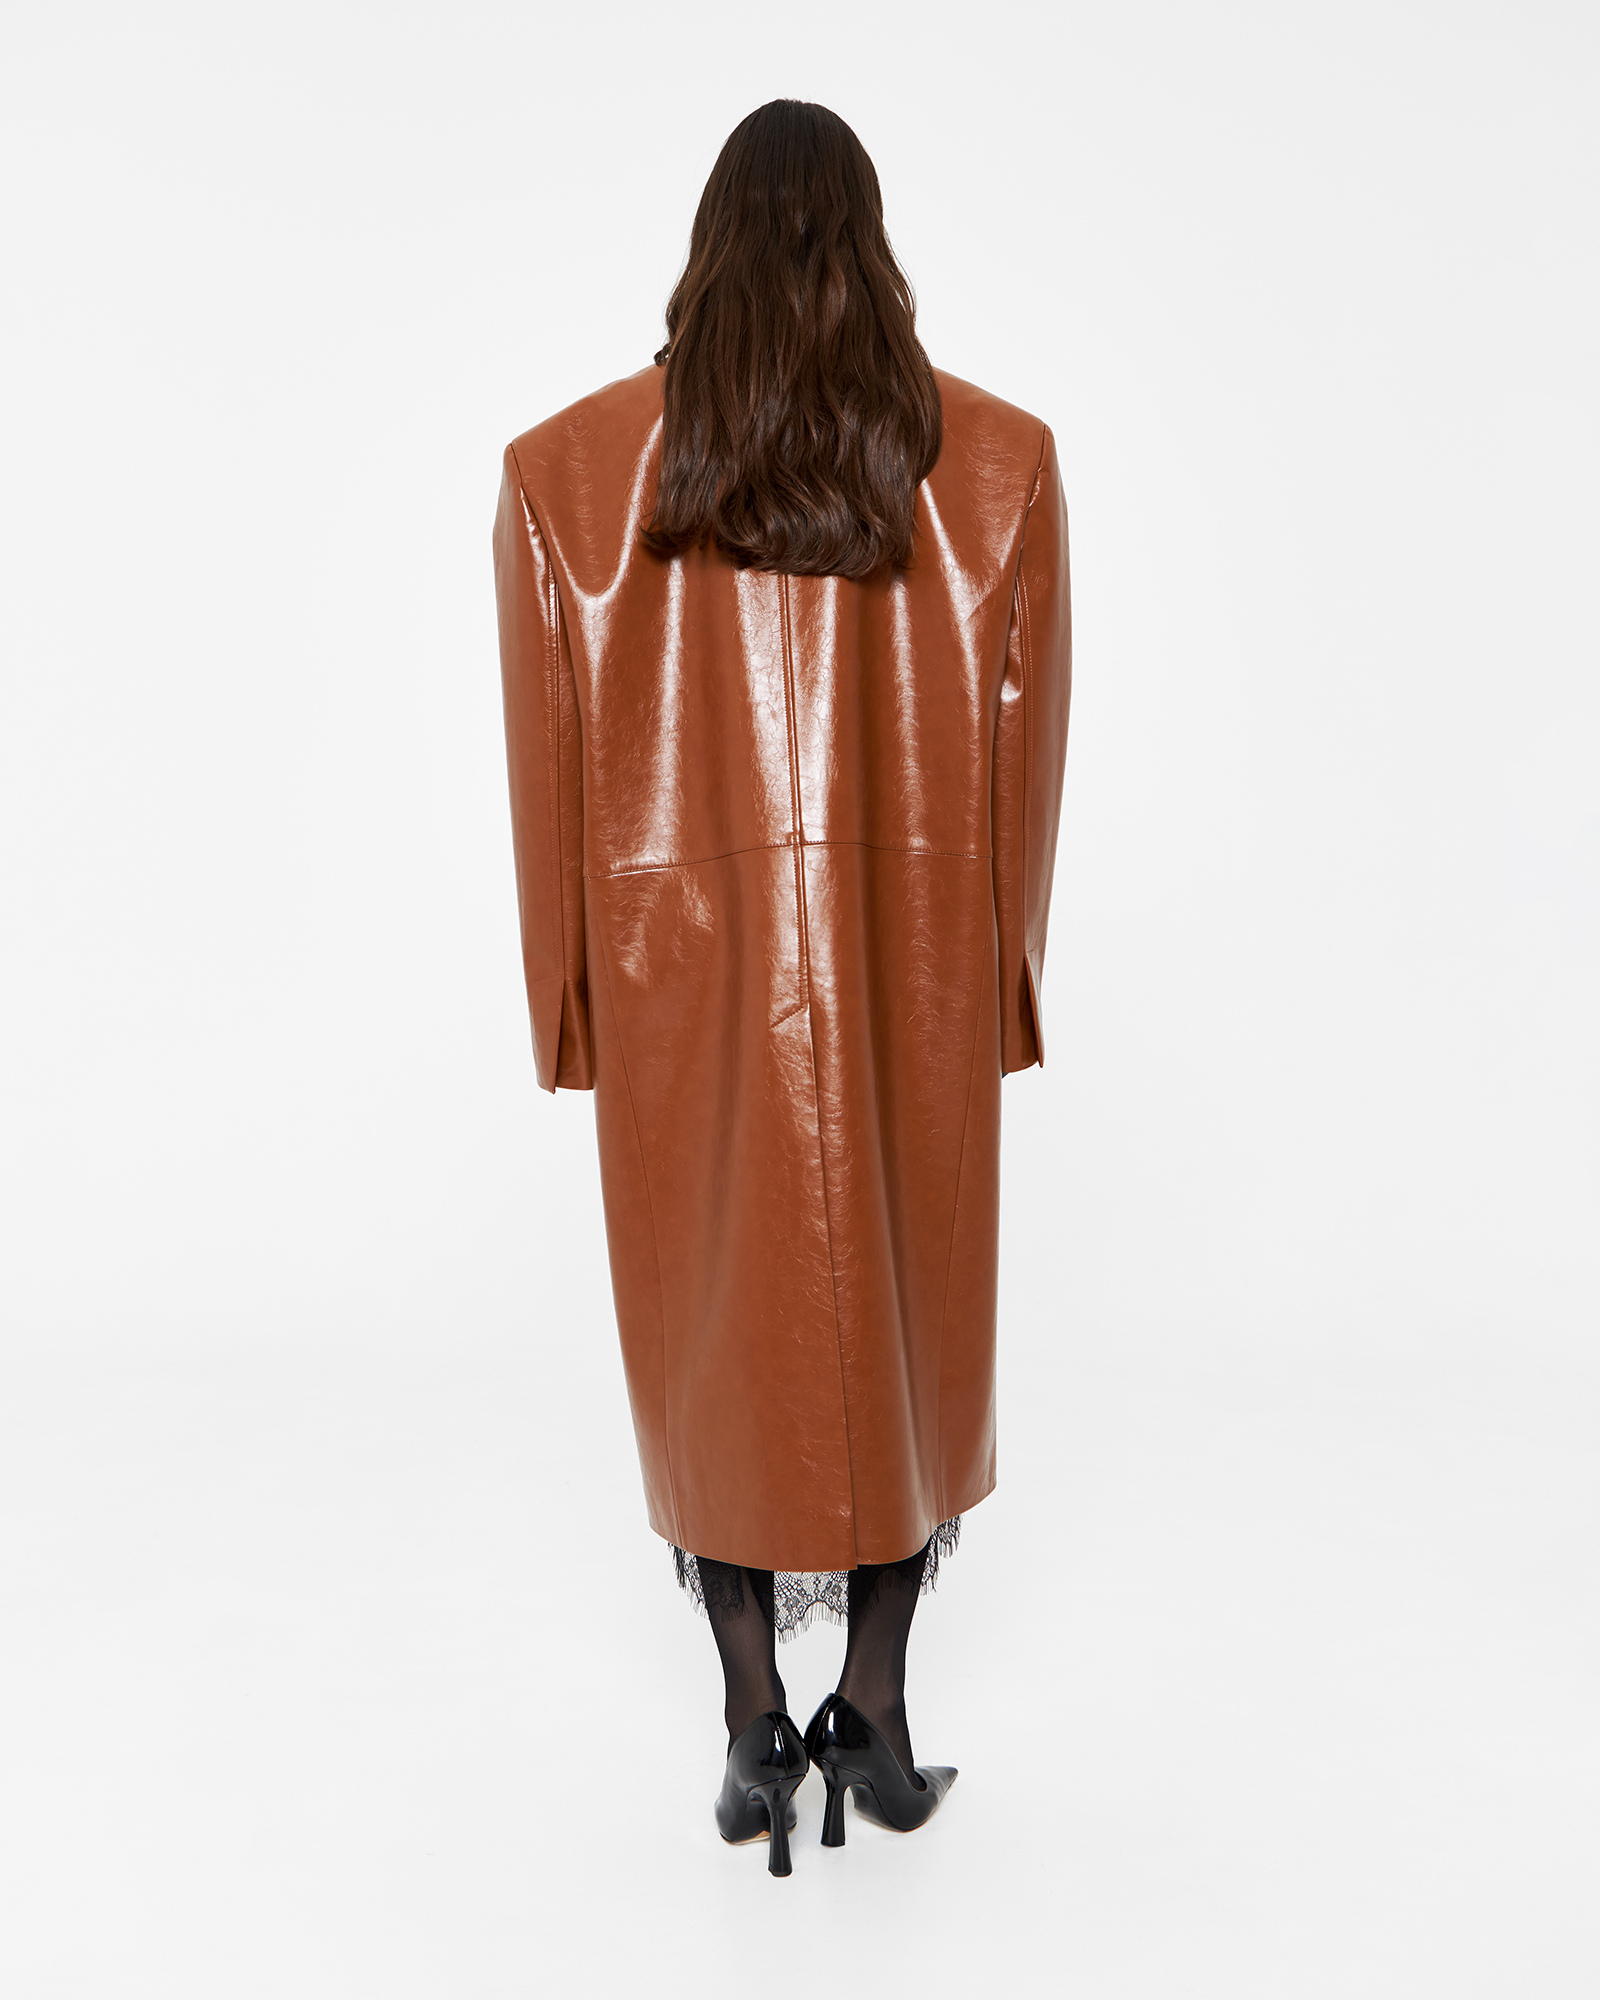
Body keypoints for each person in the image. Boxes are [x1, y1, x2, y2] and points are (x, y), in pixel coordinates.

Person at [492, 99, 1071, 1876]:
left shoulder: (568, 476)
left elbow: (552, 762)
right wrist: (1001, 981)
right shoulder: (997, 467)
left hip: (680, 984)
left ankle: (754, 1723)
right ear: (871, 247)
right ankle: (872, 1719)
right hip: (915, 977)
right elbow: (1024, 753)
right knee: (906, 1319)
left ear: (709, 246)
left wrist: (572, 1000)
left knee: (715, 1334)